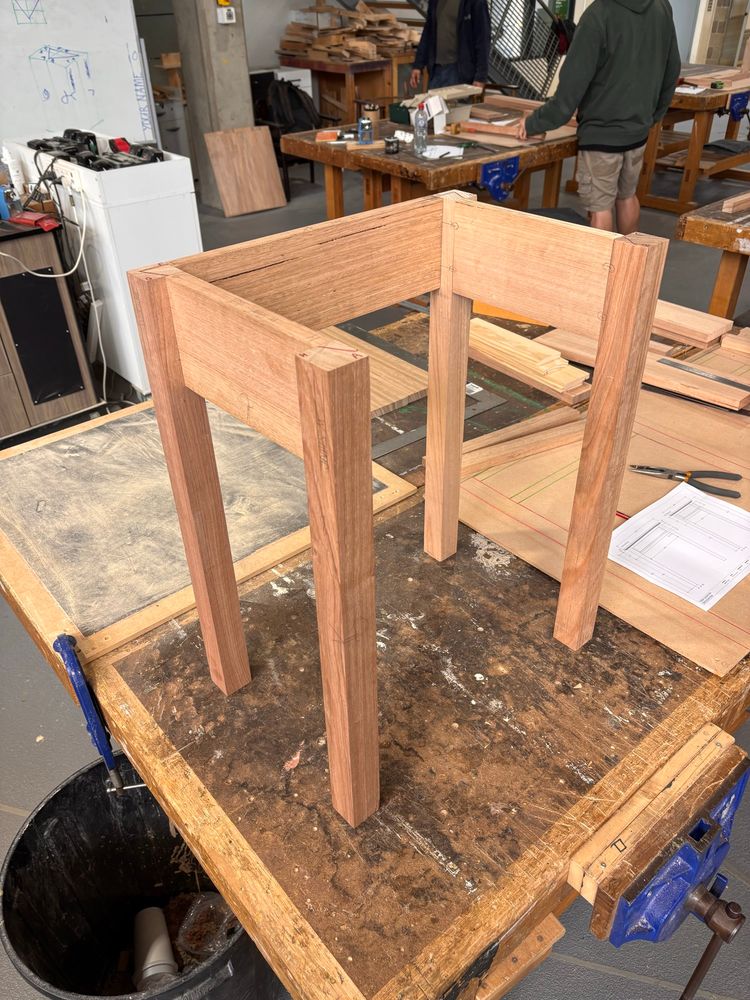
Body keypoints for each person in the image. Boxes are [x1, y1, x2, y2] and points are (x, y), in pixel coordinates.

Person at [518, 0, 681, 234]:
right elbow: (672, 69)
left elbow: (570, 91)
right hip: (638, 130)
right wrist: (655, 115)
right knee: (626, 196)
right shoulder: (661, 7)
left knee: (600, 208)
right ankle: (629, 267)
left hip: (602, 133)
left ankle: (606, 270)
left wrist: (533, 123)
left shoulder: (598, 15)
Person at [409, 0, 491, 92]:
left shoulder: (475, 2)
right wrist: (418, 65)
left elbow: (483, 39)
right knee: (435, 106)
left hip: (459, 72)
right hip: (436, 71)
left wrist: (480, 76)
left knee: (458, 106)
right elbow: (428, 33)